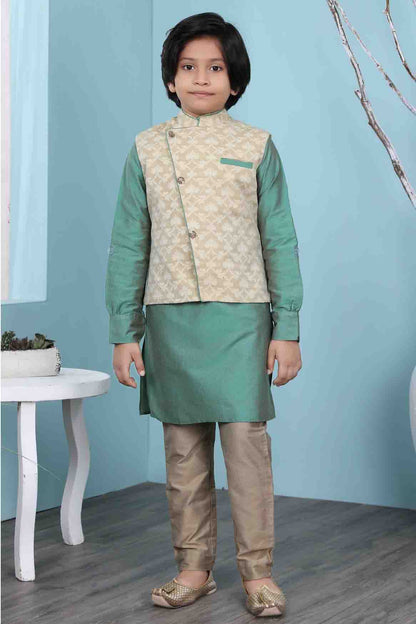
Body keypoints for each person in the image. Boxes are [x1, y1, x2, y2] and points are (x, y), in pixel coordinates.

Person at [105, 11, 303, 618]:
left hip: (243, 316)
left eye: (215, 67)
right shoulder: (146, 148)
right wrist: (124, 331)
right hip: (170, 319)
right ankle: (193, 568)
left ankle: (258, 573)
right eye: (188, 67)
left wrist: (287, 328)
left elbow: (280, 240)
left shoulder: (257, 146)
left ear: (234, 80)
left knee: (246, 448)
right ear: (171, 79)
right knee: (184, 452)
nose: (200, 78)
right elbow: (129, 243)